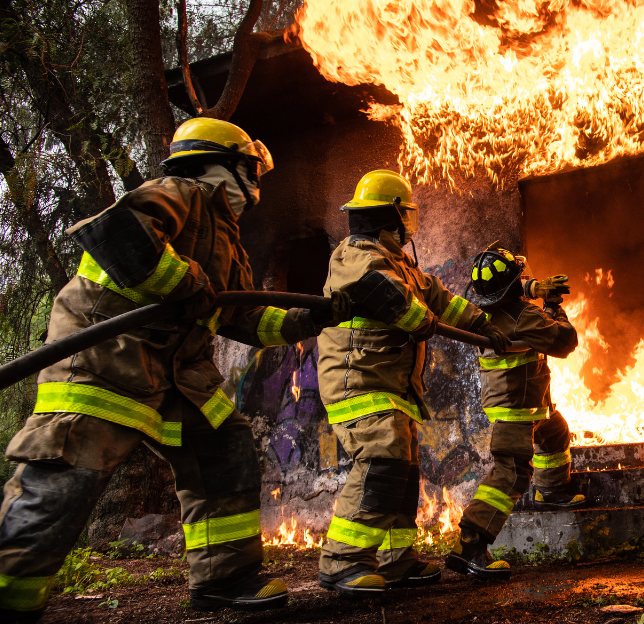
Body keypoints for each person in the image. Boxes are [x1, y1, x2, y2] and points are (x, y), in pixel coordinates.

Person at [0, 118, 348, 621]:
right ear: (221, 164)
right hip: (110, 357)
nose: (255, 183)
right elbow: (123, 240)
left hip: (179, 371)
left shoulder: (227, 238)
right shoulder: (175, 192)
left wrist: (311, 316)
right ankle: (11, 594)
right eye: (250, 169)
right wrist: (182, 280)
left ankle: (224, 579)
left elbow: (242, 316)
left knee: (224, 450)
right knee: (69, 475)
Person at [316, 170, 510, 597]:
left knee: (403, 469)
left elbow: (437, 298)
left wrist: (482, 323)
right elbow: (386, 296)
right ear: (393, 215)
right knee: (382, 460)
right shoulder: (355, 255)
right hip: (358, 382)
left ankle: (395, 561)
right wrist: (418, 320)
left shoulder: (399, 263)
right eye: (406, 215)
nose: (409, 225)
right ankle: (343, 561)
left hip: (392, 385)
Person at [446, 243, 584, 581]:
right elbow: (565, 341)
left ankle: (551, 489)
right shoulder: (527, 318)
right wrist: (552, 305)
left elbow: (502, 290)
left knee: (555, 432)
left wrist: (534, 288)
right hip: (517, 409)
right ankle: (471, 545)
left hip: (523, 403)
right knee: (510, 474)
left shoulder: (481, 315)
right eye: (520, 280)